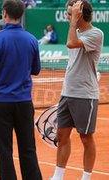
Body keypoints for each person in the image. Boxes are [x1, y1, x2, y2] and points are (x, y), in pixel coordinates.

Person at [0, 0, 42, 179]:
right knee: (28, 149)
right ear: (21, 14)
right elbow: (36, 70)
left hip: (1, 103)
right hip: (24, 103)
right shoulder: (31, 39)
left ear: (4, 13)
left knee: (3, 150)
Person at [50, 1, 103, 180]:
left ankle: (86, 177)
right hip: (67, 92)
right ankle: (58, 176)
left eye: (70, 13)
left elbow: (71, 43)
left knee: (86, 138)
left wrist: (73, 21)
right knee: (62, 135)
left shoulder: (96, 33)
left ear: (79, 15)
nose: (67, 16)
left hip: (85, 95)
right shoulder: (77, 31)